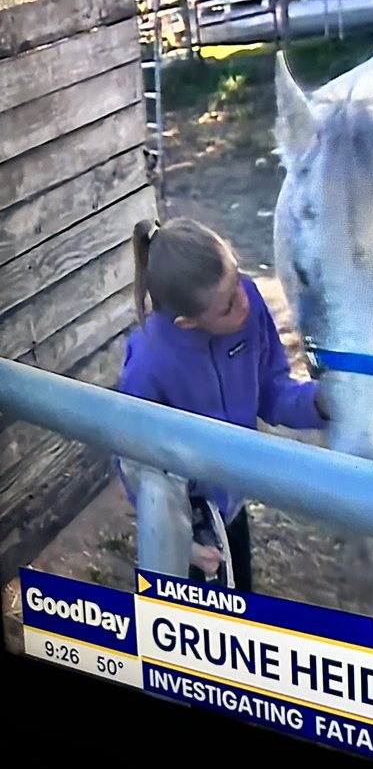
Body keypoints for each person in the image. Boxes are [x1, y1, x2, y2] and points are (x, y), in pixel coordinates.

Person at [115, 216, 328, 593]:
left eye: (239, 280)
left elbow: (272, 390)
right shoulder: (149, 364)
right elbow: (136, 463)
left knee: (240, 605)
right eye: (228, 305)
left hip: (230, 499)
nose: (245, 302)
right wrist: (185, 543)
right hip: (186, 518)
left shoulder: (247, 303)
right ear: (186, 323)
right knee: (186, 633)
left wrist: (319, 403)